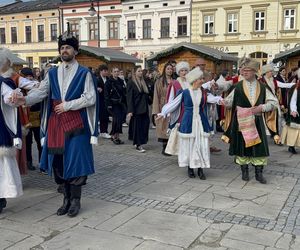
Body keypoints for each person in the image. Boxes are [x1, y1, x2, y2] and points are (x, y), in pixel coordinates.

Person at [12, 31, 98, 217]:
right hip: (56, 124)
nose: (64, 50)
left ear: (75, 50)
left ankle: (75, 201)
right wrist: (24, 101)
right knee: (58, 162)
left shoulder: (84, 73)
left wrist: (68, 105)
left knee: (75, 162)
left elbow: (90, 97)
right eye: (62, 48)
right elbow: (41, 92)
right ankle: (65, 199)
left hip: (77, 125)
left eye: (67, 47)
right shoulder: (52, 73)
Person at [157, 67, 223, 179]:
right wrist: (163, 112)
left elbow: (212, 99)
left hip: (201, 122)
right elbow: (173, 103)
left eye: (202, 78)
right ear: (194, 80)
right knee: (190, 144)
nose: (202, 80)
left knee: (202, 144)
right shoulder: (185, 93)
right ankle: (190, 168)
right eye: (200, 79)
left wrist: (220, 100)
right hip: (188, 121)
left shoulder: (203, 92)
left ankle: (201, 169)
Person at [223, 57, 278, 184]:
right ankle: (245, 171)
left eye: (247, 70)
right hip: (242, 121)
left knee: (258, 147)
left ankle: (259, 173)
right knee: (242, 147)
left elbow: (274, 103)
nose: (244, 72)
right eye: (243, 70)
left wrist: (262, 107)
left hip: (257, 121)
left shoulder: (263, 87)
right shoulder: (237, 86)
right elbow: (230, 102)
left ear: (255, 71)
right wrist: (225, 103)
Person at [0, 48, 23, 213]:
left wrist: (14, 97)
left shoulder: (3, 82)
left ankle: (0, 198)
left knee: (2, 167)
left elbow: (9, 98)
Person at [259, 64, 295, 144]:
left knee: (276, 120)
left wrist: (294, 85)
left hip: (274, 103)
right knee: (265, 122)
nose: (272, 73)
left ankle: (276, 136)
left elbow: (284, 85)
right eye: (270, 72)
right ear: (266, 72)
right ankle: (269, 135)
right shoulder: (261, 81)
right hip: (264, 103)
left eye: (272, 71)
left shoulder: (274, 80)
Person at [20, 68, 42, 171]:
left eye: (30, 76)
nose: (29, 78)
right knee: (28, 143)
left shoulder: (36, 86)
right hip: (26, 119)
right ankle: (28, 162)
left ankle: (42, 163)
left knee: (40, 141)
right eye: (26, 76)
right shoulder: (20, 90)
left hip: (37, 118)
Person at [127, 66, 150, 152]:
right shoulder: (131, 83)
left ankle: (142, 142)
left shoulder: (143, 82)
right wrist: (130, 110)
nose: (141, 73)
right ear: (135, 72)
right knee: (137, 127)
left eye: (141, 71)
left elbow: (147, 94)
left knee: (145, 125)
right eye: (139, 71)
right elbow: (129, 97)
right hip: (136, 109)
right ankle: (138, 144)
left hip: (144, 108)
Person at [152, 62, 174, 155]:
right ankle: (164, 147)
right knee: (163, 126)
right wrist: (156, 110)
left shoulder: (175, 81)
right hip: (162, 105)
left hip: (172, 105)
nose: (169, 70)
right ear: (165, 70)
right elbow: (156, 96)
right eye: (168, 68)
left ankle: (170, 147)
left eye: (171, 69)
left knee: (171, 126)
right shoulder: (160, 81)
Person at [105, 67, 127, 144]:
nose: (116, 73)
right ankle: (114, 136)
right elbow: (106, 95)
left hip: (120, 103)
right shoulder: (108, 82)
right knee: (116, 120)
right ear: (111, 73)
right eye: (115, 71)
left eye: (117, 71)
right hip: (113, 104)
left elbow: (124, 93)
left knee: (120, 120)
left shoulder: (121, 81)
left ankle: (116, 136)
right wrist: (108, 105)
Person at [281, 70, 300, 154]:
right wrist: (293, 110)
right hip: (296, 111)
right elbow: (293, 100)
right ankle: (291, 146)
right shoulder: (296, 88)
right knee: (293, 130)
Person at [97, 64, 111, 139]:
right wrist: (97, 88)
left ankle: (104, 131)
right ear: (101, 71)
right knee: (100, 116)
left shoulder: (108, 79)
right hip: (99, 100)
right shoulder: (97, 79)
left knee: (106, 116)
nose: (106, 72)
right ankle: (101, 131)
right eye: (105, 71)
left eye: (107, 71)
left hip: (107, 100)